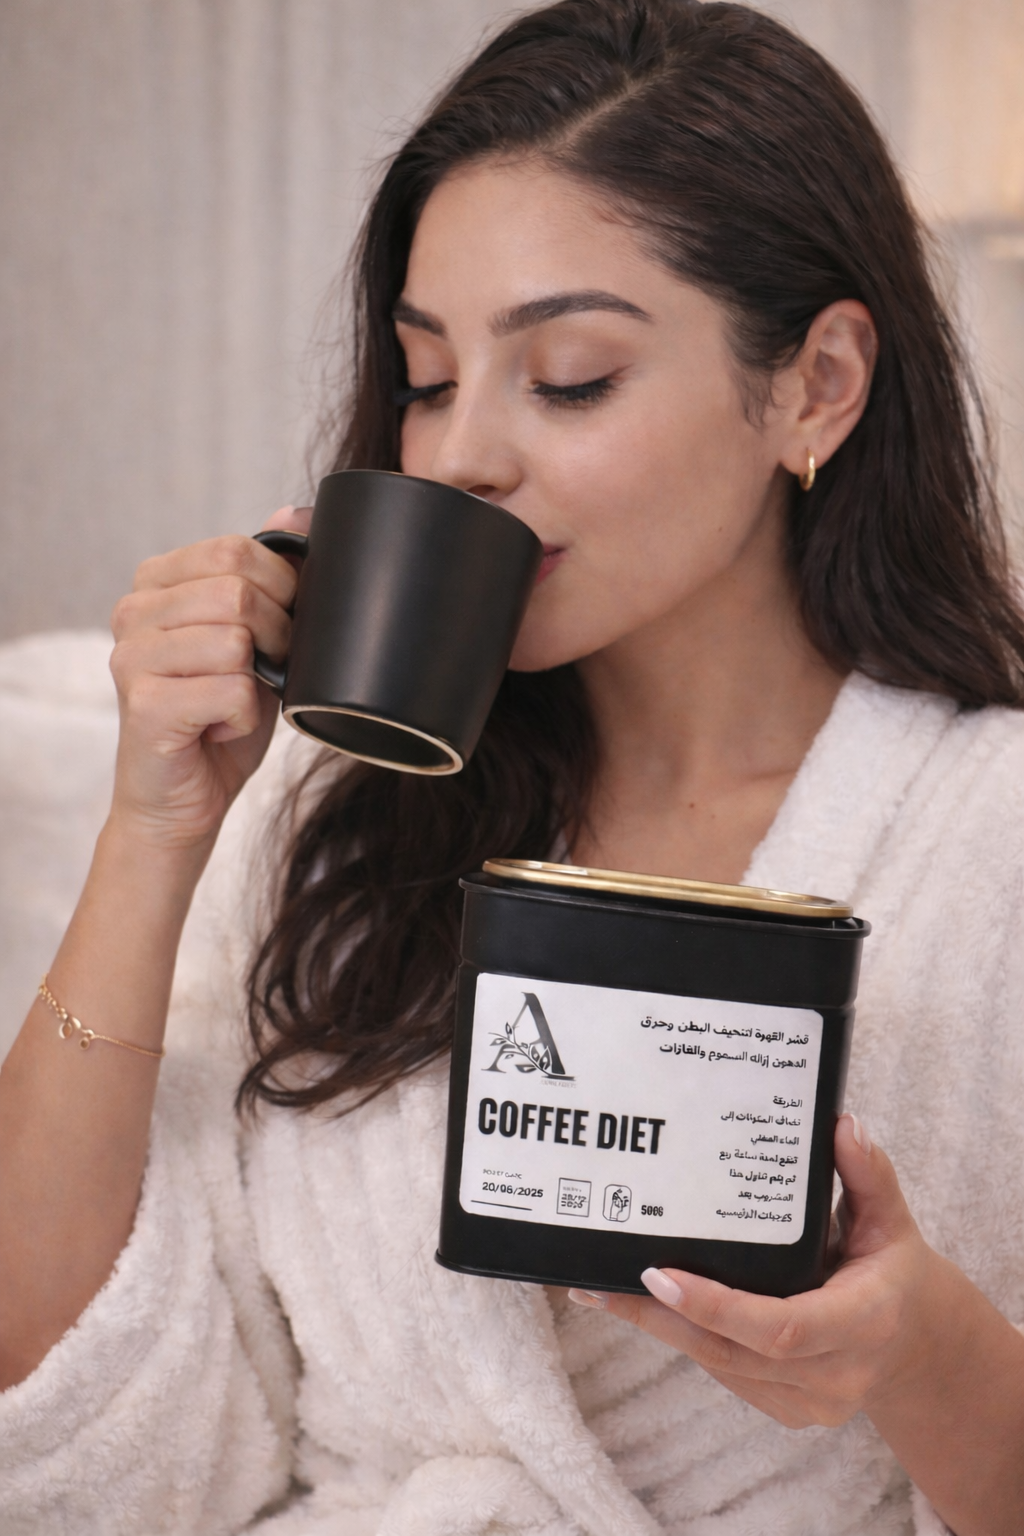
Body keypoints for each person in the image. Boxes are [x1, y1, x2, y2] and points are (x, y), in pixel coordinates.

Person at [1, 1, 1022, 1531]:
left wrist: (920, 1347)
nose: (461, 454)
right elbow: (76, 1430)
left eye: (571, 377)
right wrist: (155, 834)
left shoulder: (991, 847)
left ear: (816, 385)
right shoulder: (332, 817)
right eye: (426, 378)